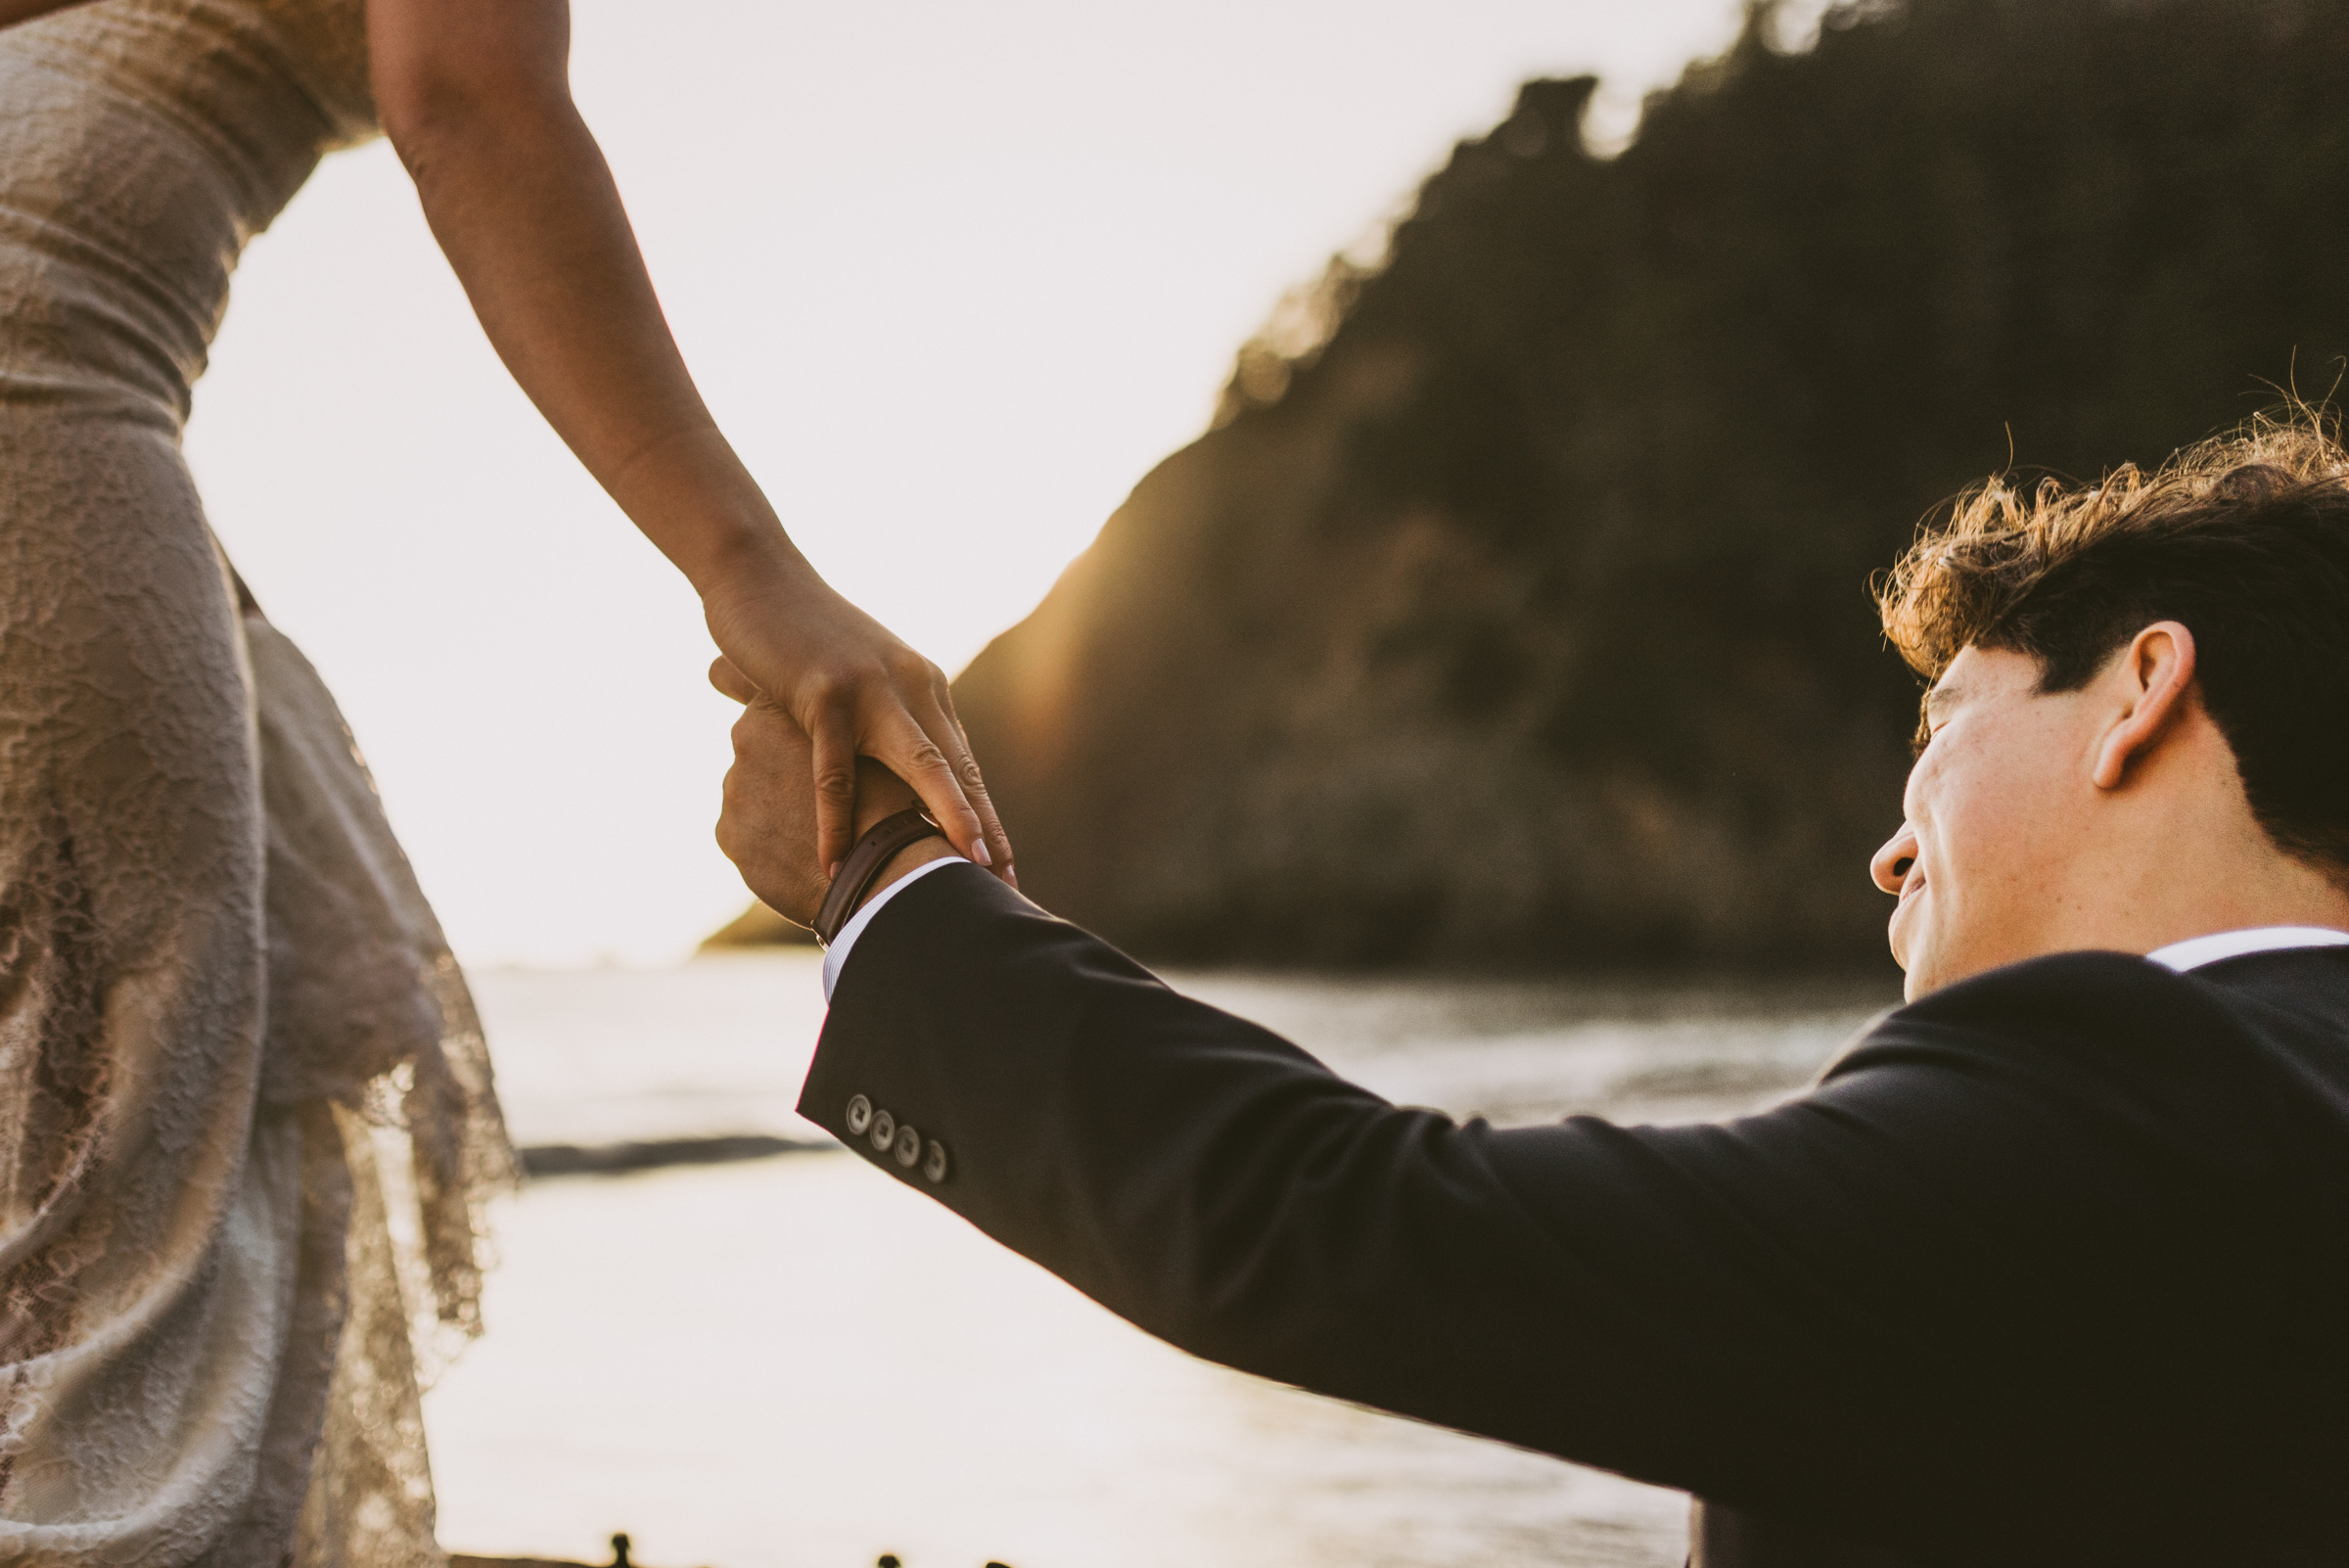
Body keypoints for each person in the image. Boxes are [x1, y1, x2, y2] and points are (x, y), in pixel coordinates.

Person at [715, 417, 2349, 1567]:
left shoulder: (2147, 1101)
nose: (1881, 852)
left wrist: (891, 895)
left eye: (1943, 726)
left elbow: (1343, 1219)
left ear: (2140, 687)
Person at [0, 0, 1009, 1561]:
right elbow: (466, 100)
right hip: (47, 351)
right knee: (130, 1238)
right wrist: (749, 568)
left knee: (151, 1099)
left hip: (72, 364)